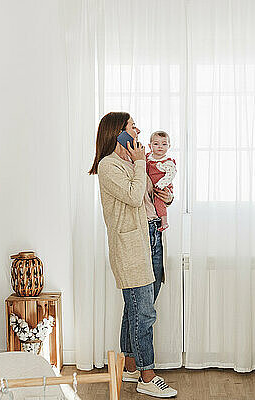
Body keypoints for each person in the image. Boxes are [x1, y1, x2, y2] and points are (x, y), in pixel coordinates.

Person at [90, 112, 177, 398]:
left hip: (152, 236)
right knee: (144, 311)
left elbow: (147, 195)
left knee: (137, 307)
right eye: (132, 126)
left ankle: (130, 366)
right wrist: (140, 164)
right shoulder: (109, 165)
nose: (138, 130)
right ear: (118, 133)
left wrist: (166, 196)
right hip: (130, 245)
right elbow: (131, 194)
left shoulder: (134, 163)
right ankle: (147, 375)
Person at [146, 130, 176, 231]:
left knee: (159, 201)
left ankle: (164, 221)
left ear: (169, 146)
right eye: (156, 144)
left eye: (164, 144)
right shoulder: (148, 158)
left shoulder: (167, 162)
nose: (160, 146)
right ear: (150, 146)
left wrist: (161, 184)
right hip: (152, 186)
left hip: (162, 186)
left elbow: (170, 175)